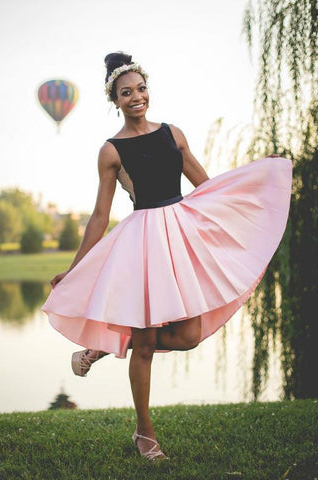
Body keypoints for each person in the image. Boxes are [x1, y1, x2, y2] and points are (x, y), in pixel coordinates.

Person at [41, 51, 293, 462]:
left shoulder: (173, 134)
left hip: (179, 235)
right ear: (115, 99)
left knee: (190, 335)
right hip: (143, 243)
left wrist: (240, 210)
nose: (136, 97)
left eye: (141, 88)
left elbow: (207, 186)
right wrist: (74, 270)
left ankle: (102, 348)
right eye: (127, 92)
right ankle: (144, 434)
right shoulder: (111, 151)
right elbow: (100, 216)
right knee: (142, 347)